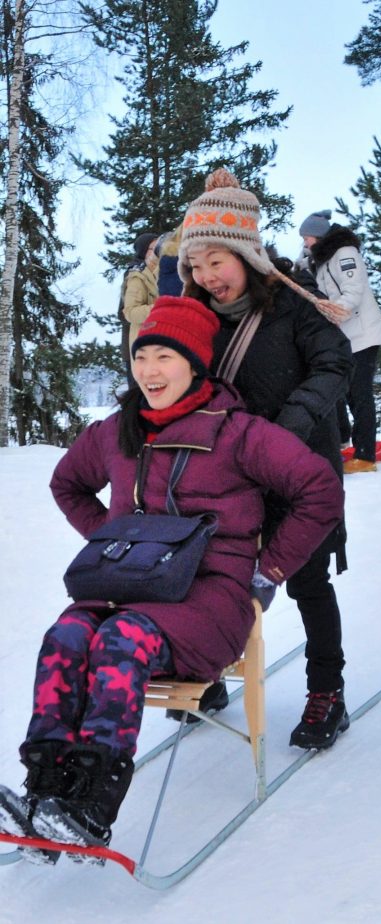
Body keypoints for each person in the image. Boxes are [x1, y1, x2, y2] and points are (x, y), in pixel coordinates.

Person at [0, 296, 343, 861]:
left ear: (194, 365)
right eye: (142, 357)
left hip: (210, 594)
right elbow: (68, 484)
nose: (150, 371)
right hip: (126, 583)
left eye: (164, 356)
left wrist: (270, 569)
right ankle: (45, 796)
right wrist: (110, 540)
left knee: (119, 640)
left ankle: (92, 809)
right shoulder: (116, 432)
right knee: (63, 638)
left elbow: (321, 491)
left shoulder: (241, 433)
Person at [179, 169, 355, 750]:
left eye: (215, 263)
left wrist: (285, 433)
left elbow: (334, 365)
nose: (206, 277)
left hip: (296, 470)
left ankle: (326, 692)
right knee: (214, 579)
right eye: (195, 266)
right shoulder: (192, 316)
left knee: (306, 580)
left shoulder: (292, 303)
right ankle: (210, 670)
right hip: (223, 479)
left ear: (246, 253)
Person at [298, 210, 381, 474]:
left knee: (360, 395)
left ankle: (365, 456)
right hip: (347, 336)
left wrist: (329, 316)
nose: (305, 243)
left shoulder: (345, 254)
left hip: (363, 334)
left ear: (320, 236)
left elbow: (353, 291)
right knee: (345, 394)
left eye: (307, 238)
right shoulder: (323, 259)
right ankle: (348, 443)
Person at [118, 232, 159, 376]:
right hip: (140, 342)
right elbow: (127, 312)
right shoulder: (136, 275)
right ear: (143, 251)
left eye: (158, 247)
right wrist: (162, 309)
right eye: (151, 248)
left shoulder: (163, 271)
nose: (157, 251)